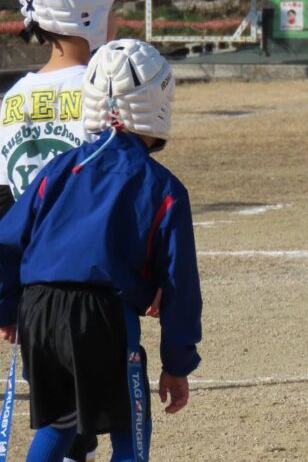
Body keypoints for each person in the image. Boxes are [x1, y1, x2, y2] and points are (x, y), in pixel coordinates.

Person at [0, 39, 202, 462]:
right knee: (130, 430)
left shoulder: (58, 168)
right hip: (102, 316)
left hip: (38, 311)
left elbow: (7, 239)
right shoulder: (162, 187)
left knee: (61, 422)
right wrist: (177, 363)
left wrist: (7, 309)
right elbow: (179, 285)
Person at [0, 0, 122, 462]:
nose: (117, 19)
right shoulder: (103, 93)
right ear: (87, 13)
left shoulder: (12, 99)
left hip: (32, 291)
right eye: (112, 8)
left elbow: (4, 204)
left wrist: (5, 297)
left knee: (64, 418)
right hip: (90, 287)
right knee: (90, 419)